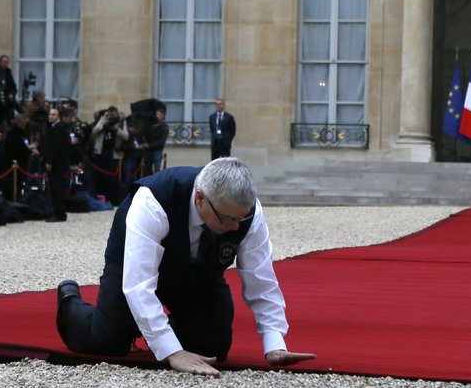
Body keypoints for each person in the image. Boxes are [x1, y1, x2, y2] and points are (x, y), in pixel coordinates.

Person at [55, 157, 316, 376]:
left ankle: (152, 324)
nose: (236, 227)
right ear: (201, 199)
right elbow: (138, 283)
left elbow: (261, 279)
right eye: (228, 219)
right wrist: (171, 351)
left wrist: (274, 342)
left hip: (199, 273)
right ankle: (69, 301)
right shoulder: (153, 201)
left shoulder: (246, 212)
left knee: (213, 347)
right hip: (133, 265)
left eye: (241, 218)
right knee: (106, 343)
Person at [41, 107, 73, 223]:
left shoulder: (59, 128)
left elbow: (56, 147)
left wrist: (49, 161)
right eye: (50, 114)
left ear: (58, 116)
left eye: (54, 114)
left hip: (56, 164)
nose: (51, 116)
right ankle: (57, 212)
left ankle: (59, 213)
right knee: (54, 188)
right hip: (56, 163)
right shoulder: (55, 128)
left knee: (56, 188)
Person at [0, 55, 19, 129]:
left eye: (7, 62)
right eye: (4, 62)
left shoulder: (8, 73)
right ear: (0, 62)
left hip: (6, 101)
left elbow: (13, 86)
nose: (6, 64)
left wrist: (12, 94)